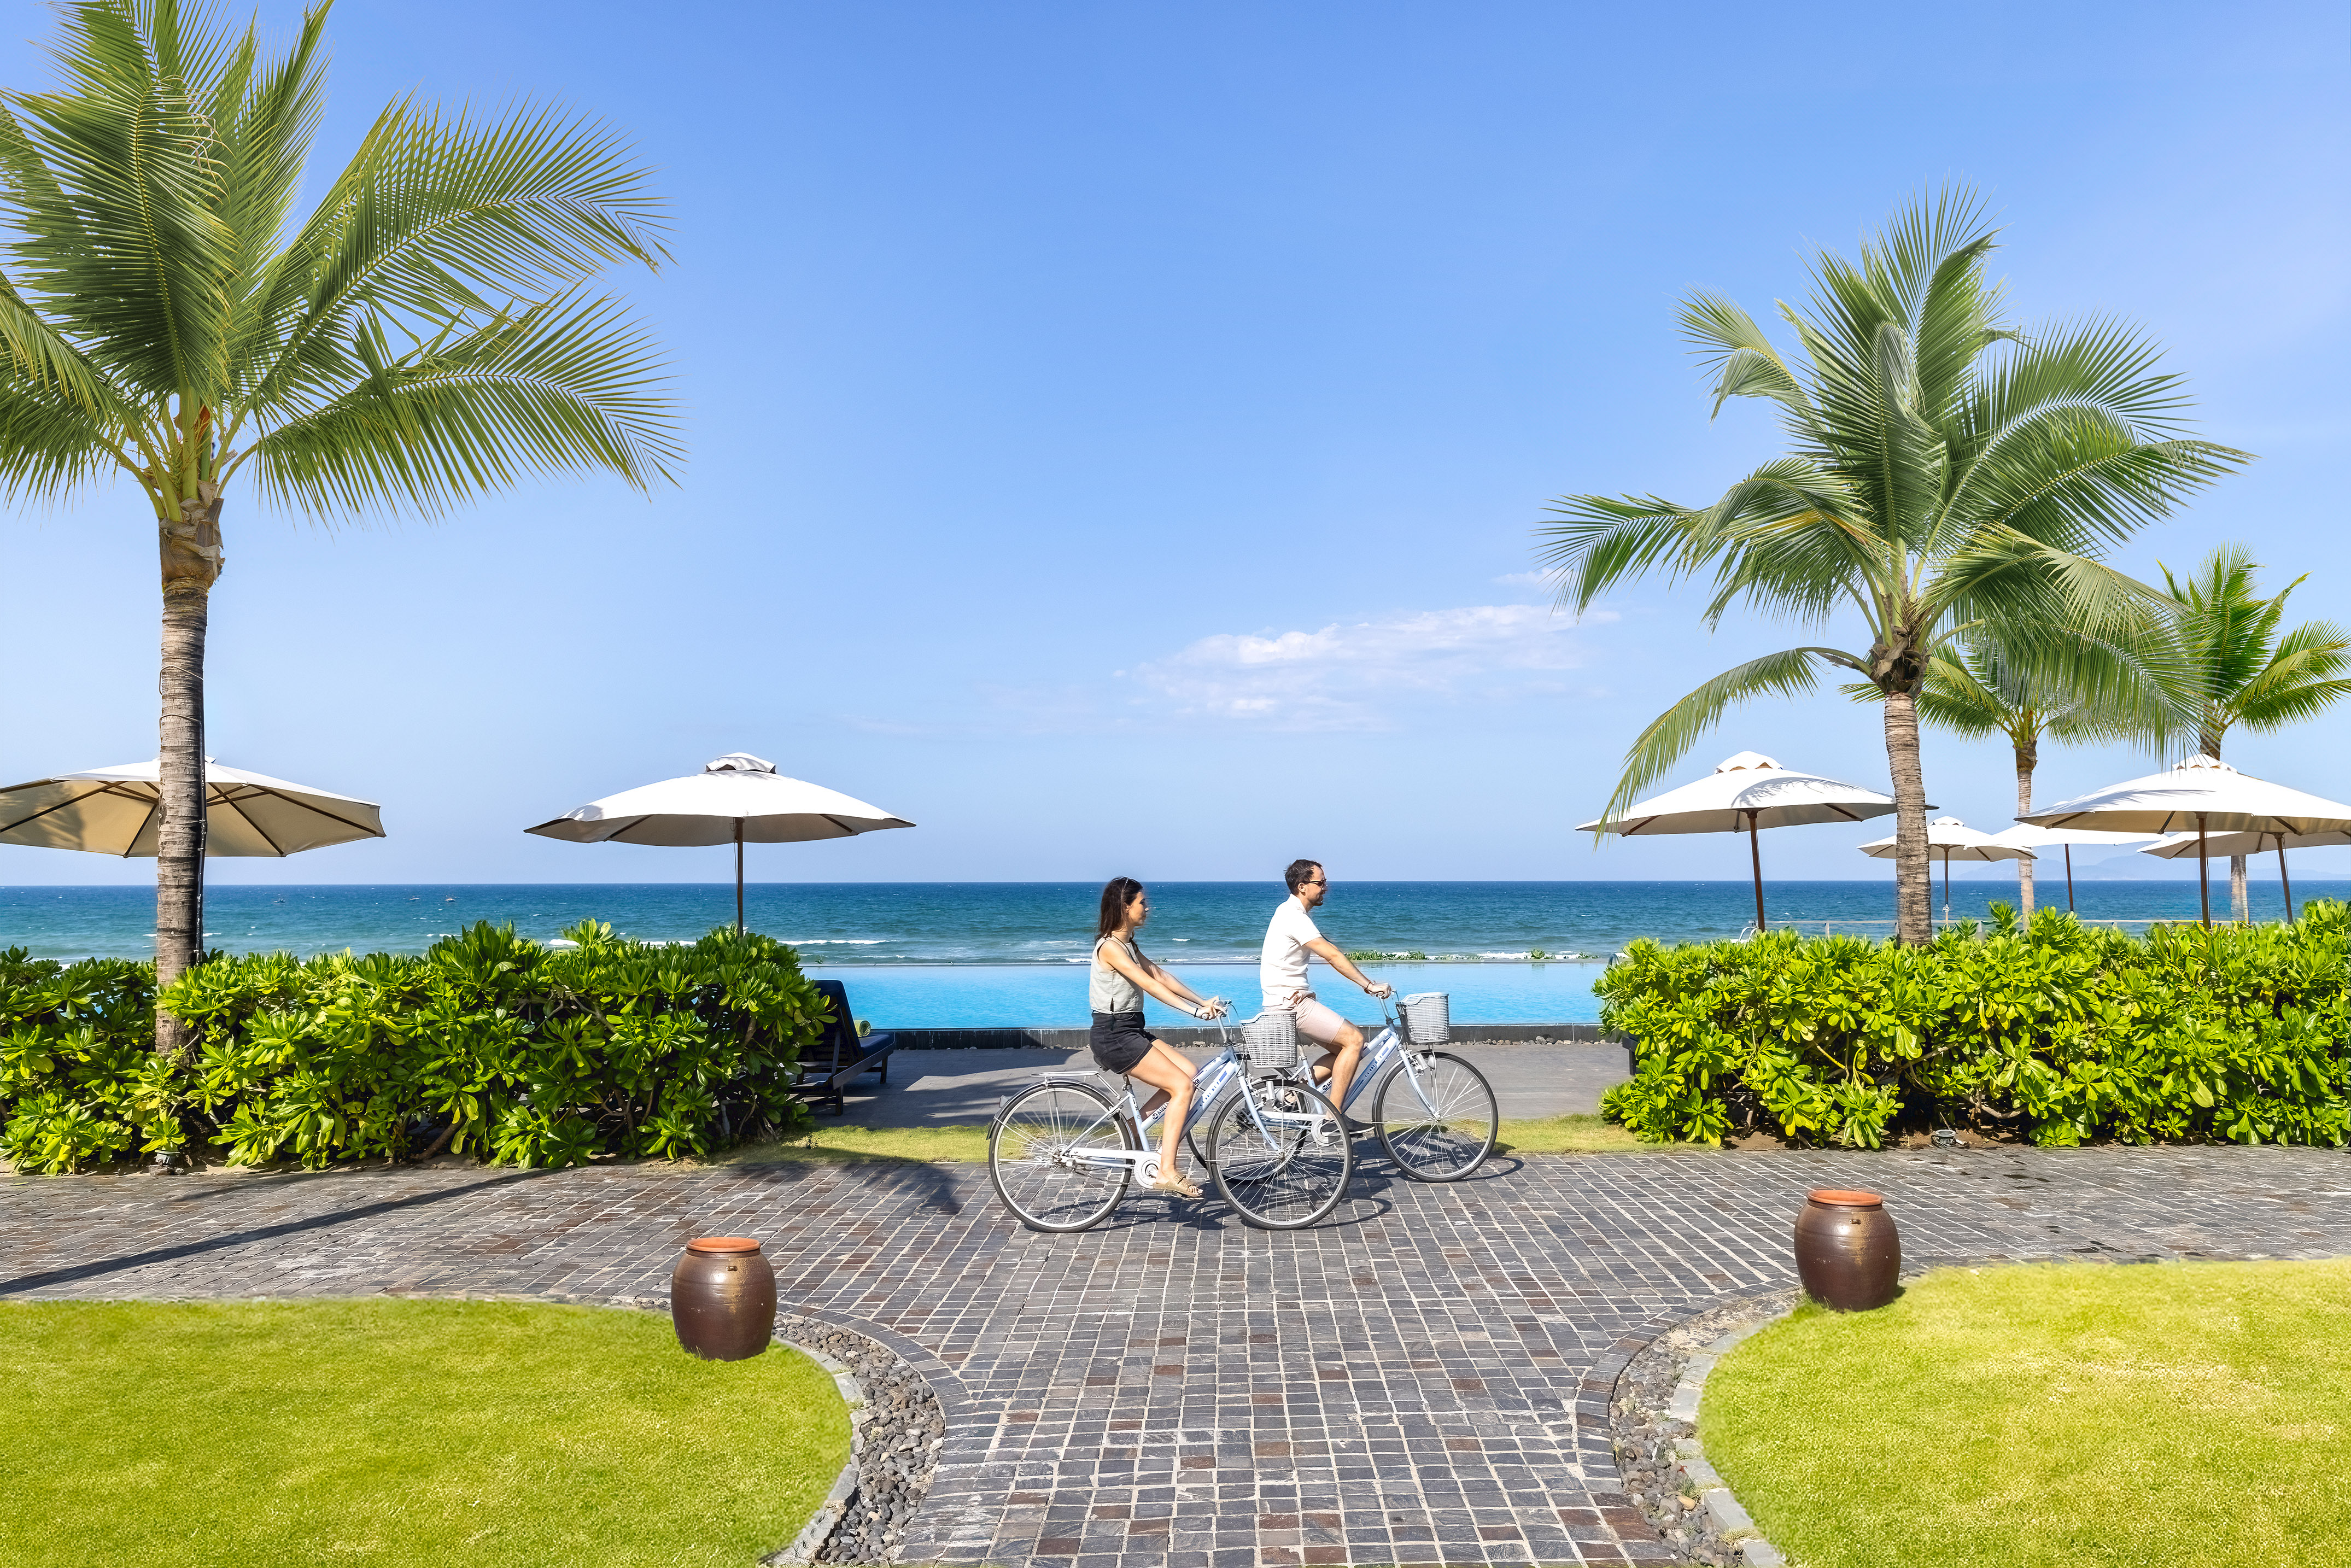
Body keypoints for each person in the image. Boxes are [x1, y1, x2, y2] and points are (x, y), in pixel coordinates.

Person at [1091, 876, 1229, 1199]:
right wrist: (1193, 1014)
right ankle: (1167, 1170)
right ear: (1126, 908)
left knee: (1189, 1074)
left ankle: (1134, 1129)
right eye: (1142, 903)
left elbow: (1160, 975)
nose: (1147, 908)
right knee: (1181, 1087)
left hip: (1130, 1028)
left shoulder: (1128, 945)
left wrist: (1202, 1001)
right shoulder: (1111, 947)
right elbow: (1149, 986)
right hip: (1113, 1034)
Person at [1260, 859, 1393, 1128]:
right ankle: (1334, 1118)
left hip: (1287, 1001)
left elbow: (1325, 947)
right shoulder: (1293, 916)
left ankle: (1291, 1091)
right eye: (1320, 883)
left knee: (1345, 1052)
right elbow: (1331, 955)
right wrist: (1369, 985)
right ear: (1302, 887)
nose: (1325, 888)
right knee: (1354, 1041)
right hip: (1291, 1004)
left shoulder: (1291, 913)